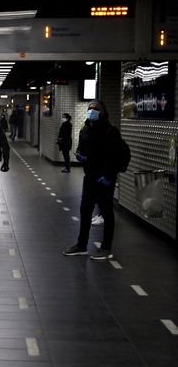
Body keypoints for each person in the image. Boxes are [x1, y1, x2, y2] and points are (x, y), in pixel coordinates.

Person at [62, 99, 126, 260]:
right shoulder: (85, 129)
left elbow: (122, 154)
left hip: (104, 178)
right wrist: (80, 155)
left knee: (106, 212)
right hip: (90, 177)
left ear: (102, 112)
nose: (92, 111)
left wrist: (111, 175)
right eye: (90, 109)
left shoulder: (111, 131)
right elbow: (80, 148)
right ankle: (81, 245)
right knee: (85, 210)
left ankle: (106, 248)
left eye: (95, 109)